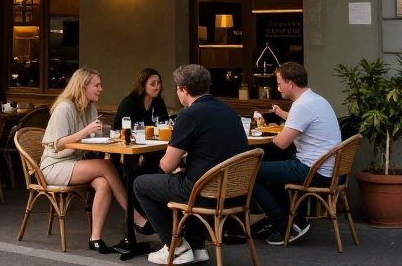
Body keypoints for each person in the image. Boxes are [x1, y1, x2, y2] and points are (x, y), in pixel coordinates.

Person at [134, 64, 248, 264]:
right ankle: (197, 247)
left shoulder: (189, 114)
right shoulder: (229, 110)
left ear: (184, 89)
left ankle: (175, 246)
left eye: (177, 88)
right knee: (190, 177)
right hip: (235, 193)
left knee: (142, 184)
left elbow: (168, 164)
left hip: (205, 193)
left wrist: (165, 167)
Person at [41, 67, 149, 254]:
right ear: (83, 86)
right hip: (54, 165)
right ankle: (135, 216)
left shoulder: (90, 107)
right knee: (105, 165)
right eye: (97, 85)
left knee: (103, 183)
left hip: (76, 163)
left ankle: (95, 238)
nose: (100, 89)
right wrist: (85, 131)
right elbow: (57, 145)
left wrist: (111, 131)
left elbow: (95, 136)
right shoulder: (64, 108)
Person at [251, 62, 342, 246]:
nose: (278, 88)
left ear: (290, 84)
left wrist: (271, 135)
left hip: (312, 170)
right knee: (271, 170)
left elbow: (282, 143)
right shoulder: (315, 99)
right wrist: (282, 117)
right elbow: (300, 122)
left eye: (279, 83)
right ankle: (295, 220)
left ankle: (285, 227)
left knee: (251, 173)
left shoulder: (302, 105)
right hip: (327, 170)